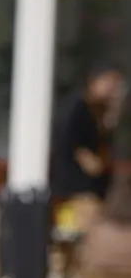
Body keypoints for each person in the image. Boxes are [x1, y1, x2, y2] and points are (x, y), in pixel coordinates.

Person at [52, 62, 126, 204]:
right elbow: (71, 140)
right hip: (76, 189)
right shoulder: (78, 108)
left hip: (95, 189)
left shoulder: (102, 110)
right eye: (109, 82)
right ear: (95, 81)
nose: (113, 90)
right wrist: (89, 159)